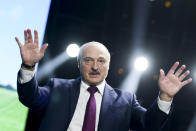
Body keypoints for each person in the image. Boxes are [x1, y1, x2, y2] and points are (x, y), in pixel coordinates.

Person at [15, 29, 192, 131]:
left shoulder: (125, 101)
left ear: (108, 65)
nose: (95, 67)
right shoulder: (58, 87)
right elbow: (30, 97)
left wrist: (165, 97)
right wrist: (28, 67)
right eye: (88, 60)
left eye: (101, 61)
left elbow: (149, 126)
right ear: (79, 64)